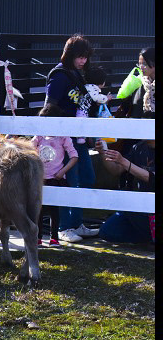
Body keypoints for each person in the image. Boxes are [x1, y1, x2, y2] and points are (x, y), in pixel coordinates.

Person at [45, 34, 99, 243]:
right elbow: (50, 106)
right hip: (64, 139)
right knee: (70, 181)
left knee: (87, 178)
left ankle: (76, 223)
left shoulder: (78, 74)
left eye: (85, 57)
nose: (83, 60)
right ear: (70, 54)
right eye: (79, 56)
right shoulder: (59, 75)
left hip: (79, 137)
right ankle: (64, 227)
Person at [32, 104, 78, 246]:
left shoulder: (63, 137)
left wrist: (62, 172)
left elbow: (74, 156)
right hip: (41, 179)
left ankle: (54, 238)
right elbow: (29, 149)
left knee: (54, 210)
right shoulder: (39, 137)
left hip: (56, 178)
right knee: (38, 208)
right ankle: (37, 237)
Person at [97, 138, 154, 243]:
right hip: (138, 207)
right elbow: (116, 170)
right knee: (107, 232)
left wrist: (123, 161)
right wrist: (102, 153)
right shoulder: (138, 147)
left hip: (148, 207)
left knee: (129, 205)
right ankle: (150, 237)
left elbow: (151, 178)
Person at [114, 47, 154, 120]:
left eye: (144, 64)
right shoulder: (138, 83)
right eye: (139, 64)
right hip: (138, 127)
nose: (141, 67)